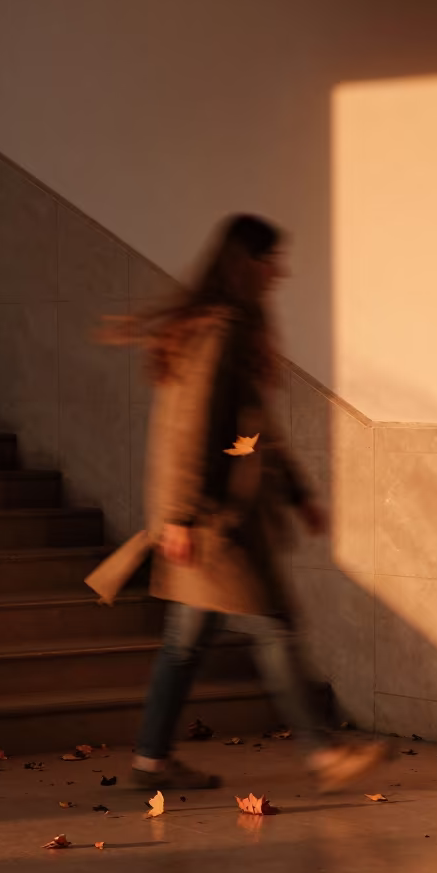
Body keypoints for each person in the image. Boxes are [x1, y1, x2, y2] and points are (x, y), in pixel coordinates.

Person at [97, 214, 389, 793]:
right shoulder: (219, 330)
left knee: (186, 644)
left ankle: (151, 762)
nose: (281, 271)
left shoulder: (233, 326)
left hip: (218, 519)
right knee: (274, 625)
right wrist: (180, 516)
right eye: (271, 259)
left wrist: (299, 491)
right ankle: (323, 754)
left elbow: (253, 429)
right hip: (214, 524)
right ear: (247, 263)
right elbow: (191, 424)